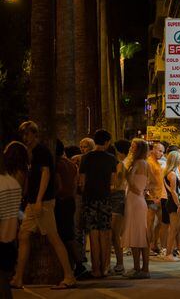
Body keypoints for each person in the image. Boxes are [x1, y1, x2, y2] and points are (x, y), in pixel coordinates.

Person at [11, 121, 76, 289]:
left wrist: (39, 199)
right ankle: (18, 277)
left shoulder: (41, 151)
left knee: (53, 238)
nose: (25, 137)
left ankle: (69, 276)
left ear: (35, 134)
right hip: (33, 202)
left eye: (28, 134)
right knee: (23, 235)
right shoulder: (30, 152)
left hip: (43, 202)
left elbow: (46, 174)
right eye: (23, 134)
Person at [79, 129, 117, 278]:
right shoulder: (111, 158)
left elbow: (81, 180)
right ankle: (105, 267)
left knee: (93, 234)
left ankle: (95, 269)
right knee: (105, 234)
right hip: (105, 199)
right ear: (107, 142)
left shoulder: (86, 157)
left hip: (90, 199)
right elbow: (113, 182)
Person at [54, 139, 86, 277]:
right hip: (70, 201)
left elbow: (59, 186)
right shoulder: (71, 165)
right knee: (70, 233)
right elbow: (74, 185)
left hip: (60, 201)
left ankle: (77, 264)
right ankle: (76, 263)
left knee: (64, 235)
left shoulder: (57, 165)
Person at [121, 139, 150, 279]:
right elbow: (148, 183)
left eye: (134, 146)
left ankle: (140, 268)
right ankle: (141, 268)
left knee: (137, 234)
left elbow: (130, 181)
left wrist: (124, 169)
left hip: (135, 199)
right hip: (138, 199)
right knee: (140, 234)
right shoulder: (145, 163)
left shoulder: (138, 163)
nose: (131, 148)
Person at [0, 147, 22, 298]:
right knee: (4, 284)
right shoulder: (13, 182)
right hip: (10, 242)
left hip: (1, 240)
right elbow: (16, 212)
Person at [109, 139, 131, 275]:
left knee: (114, 233)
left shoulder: (120, 165)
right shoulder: (118, 164)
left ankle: (120, 263)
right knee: (111, 234)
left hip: (118, 198)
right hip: (114, 198)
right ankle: (114, 263)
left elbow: (117, 185)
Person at [146, 142, 166, 254]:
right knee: (150, 223)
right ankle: (148, 247)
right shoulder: (149, 163)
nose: (162, 153)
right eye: (159, 151)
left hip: (160, 197)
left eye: (163, 151)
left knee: (161, 222)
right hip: (152, 198)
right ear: (153, 150)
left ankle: (154, 244)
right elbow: (147, 181)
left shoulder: (157, 163)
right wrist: (151, 196)